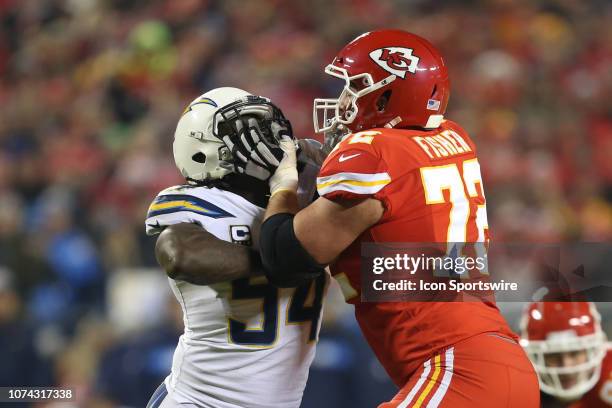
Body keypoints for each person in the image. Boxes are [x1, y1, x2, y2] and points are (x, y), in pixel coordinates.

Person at [228, 29, 541, 407]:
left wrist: (283, 187)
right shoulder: (451, 136)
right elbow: (394, 204)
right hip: (493, 357)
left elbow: (285, 257)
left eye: (354, 87)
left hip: (459, 368)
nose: (343, 100)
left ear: (389, 94)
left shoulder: (372, 153)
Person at [144, 87, 327, 408]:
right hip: (198, 402)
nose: (272, 139)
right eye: (251, 131)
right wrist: (283, 255)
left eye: (272, 127)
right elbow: (180, 254)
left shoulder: (297, 209)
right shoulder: (199, 201)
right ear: (203, 150)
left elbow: (381, 267)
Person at [520, 302, 611, 407]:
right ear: (533, 356)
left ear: (594, 350)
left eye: (575, 353)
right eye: (553, 355)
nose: (566, 365)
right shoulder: (518, 390)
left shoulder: (608, 375)